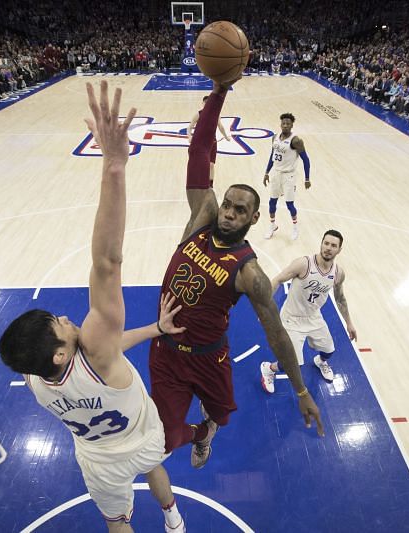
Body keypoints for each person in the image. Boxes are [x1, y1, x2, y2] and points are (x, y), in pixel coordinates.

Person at [0, 82, 185, 533]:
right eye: (58, 324)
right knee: (156, 465)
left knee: (116, 522)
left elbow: (113, 348)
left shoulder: (36, 377)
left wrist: (156, 329)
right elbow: (107, 262)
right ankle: (173, 520)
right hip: (143, 437)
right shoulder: (96, 350)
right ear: (62, 352)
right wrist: (115, 167)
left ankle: (163, 519)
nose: (65, 318)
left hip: (99, 460)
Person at [149, 78, 324, 471]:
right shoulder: (201, 219)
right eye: (227, 204)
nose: (228, 212)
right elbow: (198, 151)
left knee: (223, 415)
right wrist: (220, 91)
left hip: (210, 358)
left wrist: (299, 390)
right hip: (167, 352)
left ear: (253, 218)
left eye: (239, 210)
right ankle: (199, 435)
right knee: (165, 437)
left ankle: (210, 425)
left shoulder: (250, 273)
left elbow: (276, 333)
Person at [259, 230, 357, 392]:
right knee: (291, 365)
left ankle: (320, 362)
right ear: (321, 243)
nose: (328, 248)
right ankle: (268, 369)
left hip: (313, 317)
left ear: (339, 250)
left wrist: (349, 323)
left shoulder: (338, 273)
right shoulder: (304, 264)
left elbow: (340, 299)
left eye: (333, 245)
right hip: (292, 318)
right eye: (326, 243)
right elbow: (277, 279)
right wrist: (264, 307)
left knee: (329, 351)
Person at [262, 113, 311, 240]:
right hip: (276, 173)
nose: (285, 125)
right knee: (272, 202)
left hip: (289, 175)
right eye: (283, 123)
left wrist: (307, 179)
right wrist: (266, 172)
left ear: (292, 125)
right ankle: (272, 225)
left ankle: (295, 228)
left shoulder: (296, 141)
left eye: (288, 123)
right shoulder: (275, 137)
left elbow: (306, 160)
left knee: (290, 204)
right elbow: (272, 156)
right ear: (280, 124)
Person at [188, 95, 232, 187]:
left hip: (212, 142)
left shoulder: (216, 114)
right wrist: (189, 136)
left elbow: (220, 127)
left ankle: (210, 185)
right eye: (205, 103)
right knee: (201, 164)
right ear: (203, 104)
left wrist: (226, 136)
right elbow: (190, 127)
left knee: (211, 165)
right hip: (200, 144)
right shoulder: (198, 114)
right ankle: (199, 182)